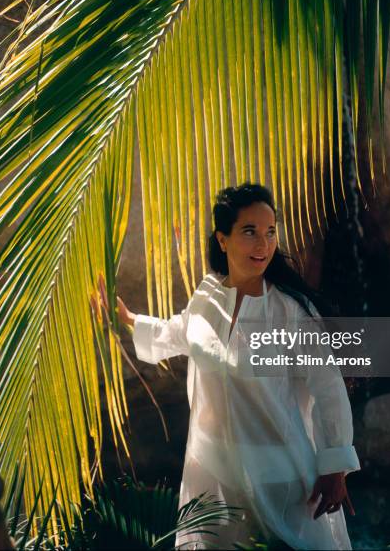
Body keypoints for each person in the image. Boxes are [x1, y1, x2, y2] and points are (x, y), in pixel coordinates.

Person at [98, 183, 360, 550]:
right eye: (249, 232)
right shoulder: (207, 296)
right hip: (213, 476)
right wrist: (129, 320)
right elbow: (179, 332)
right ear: (222, 239)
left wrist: (336, 466)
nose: (263, 244)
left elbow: (328, 385)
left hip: (278, 479)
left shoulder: (290, 311)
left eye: (270, 233)